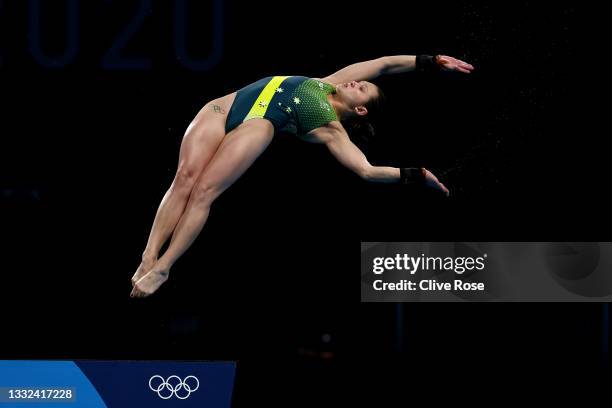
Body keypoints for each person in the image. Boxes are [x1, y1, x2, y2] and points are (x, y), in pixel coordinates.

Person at [130, 54, 475, 298]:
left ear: (361, 109)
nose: (356, 81)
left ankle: (165, 266)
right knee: (185, 179)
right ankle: (148, 256)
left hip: (257, 125)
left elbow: (366, 171)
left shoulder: (330, 129)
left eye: (363, 88)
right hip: (222, 107)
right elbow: (384, 64)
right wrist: (431, 60)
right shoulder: (328, 84)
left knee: (204, 191)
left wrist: (415, 175)